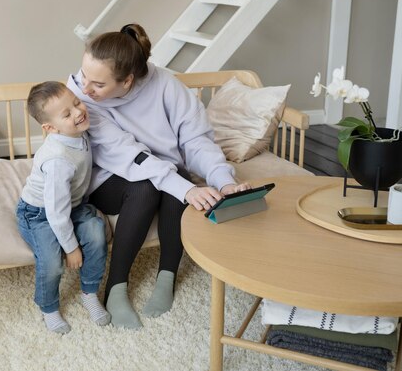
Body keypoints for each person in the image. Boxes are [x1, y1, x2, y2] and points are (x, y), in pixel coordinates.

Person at [66, 23, 252, 329]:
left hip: (161, 168)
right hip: (108, 177)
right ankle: (116, 287)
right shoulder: (82, 99)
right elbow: (126, 153)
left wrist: (224, 181)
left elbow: (196, 140)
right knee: (149, 186)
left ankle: (166, 276)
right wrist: (186, 189)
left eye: (97, 84)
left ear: (127, 81)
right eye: (84, 76)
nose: (84, 89)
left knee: (175, 174)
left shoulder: (166, 84)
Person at [15, 81, 110, 334]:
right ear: (50, 128)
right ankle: (48, 306)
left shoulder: (80, 132)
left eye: (77, 103)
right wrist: (71, 248)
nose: (78, 112)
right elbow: (56, 214)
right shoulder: (58, 159)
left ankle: (89, 293)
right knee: (51, 259)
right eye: (67, 114)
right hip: (39, 214)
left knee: (96, 233)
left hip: (73, 205)